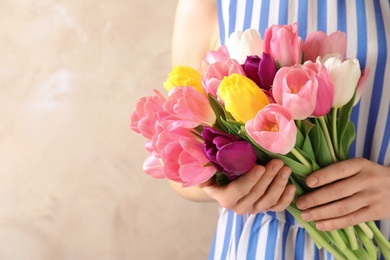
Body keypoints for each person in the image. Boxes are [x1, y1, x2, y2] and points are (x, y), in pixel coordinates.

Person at [169, 0, 390, 259]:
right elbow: (179, 160)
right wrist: (222, 189)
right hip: (262, 243)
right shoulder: (207, 4)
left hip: (381, 230)